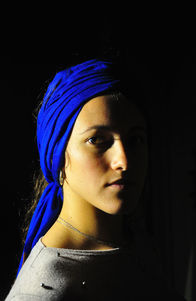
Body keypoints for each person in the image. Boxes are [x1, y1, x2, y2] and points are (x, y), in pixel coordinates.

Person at [5, 59, 185, 300]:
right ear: (58, 155)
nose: (124, 161)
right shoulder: (41, 291)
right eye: (97, 140)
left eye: (136, 140)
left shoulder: (136, 246)